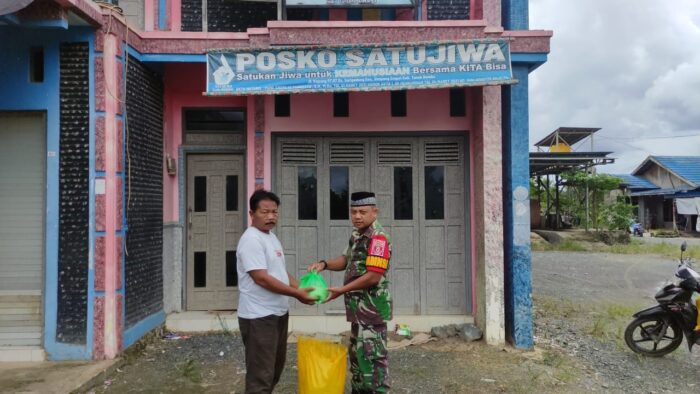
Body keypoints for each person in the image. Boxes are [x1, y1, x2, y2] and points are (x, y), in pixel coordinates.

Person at [308, 191, 392, 394]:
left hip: (372, 311)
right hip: (357, 311)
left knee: (373, 362)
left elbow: (373, 276)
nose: (357, 216)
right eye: (353, 211)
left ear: (375, 212)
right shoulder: (357, 234)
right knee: (357, 358)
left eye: (362, 211)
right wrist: (324, 264)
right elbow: (346, 260)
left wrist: (341, 290)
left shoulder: (378, 238)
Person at [236, 189, 316, 394]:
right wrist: (297, 294)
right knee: (260, 376)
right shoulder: (251, 240)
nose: (271, 216)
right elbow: (261, 278)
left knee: (274, 370)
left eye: (274, 212)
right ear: (252, 214)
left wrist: (301, 286)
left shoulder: (270, 237)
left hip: (277, 313)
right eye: (265, 212)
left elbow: (278, 271)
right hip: (259, 316)